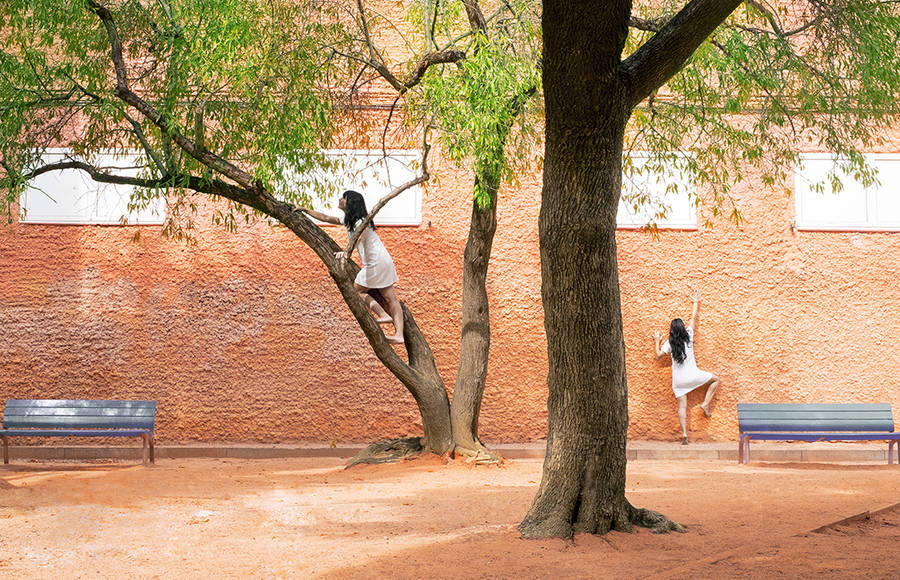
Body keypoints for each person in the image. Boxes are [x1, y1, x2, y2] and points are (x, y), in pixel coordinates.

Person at [302, 190, 404, 344]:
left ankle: (383, 315)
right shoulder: (350, 220)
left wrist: (346, 253)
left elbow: (358, 237)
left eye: (344, 197)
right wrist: (305, 210)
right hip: (382, 260)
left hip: (375, 262)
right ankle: (399, 335)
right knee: (391, 299)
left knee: (356, 291)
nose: (340, 199)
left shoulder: (360, 221)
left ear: (351, 202)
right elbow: (327, 218)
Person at [654, 290, 720, 445]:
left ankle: (684, 435)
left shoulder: (669, 343)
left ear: (671, 330)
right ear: (682, 328)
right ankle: (705, 403)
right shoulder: (689, 334)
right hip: (693, 375)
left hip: (678, 381)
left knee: (682, 407)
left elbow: (657, 356)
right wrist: (696, 302)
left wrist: (657, 340)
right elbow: (693, 318)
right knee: (716, 380)